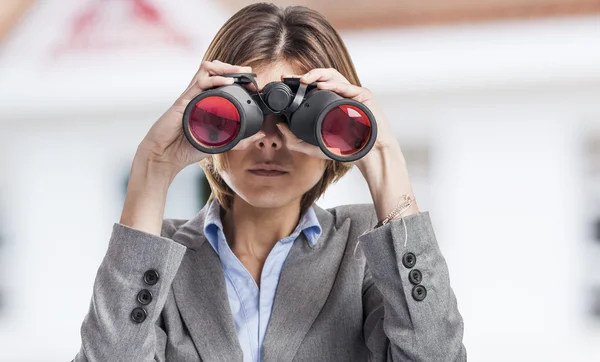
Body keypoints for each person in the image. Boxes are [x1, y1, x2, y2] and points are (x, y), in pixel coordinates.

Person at [73, 3, 466, 362]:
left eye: (300, 117)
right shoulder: (156, 263)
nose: (269, 139)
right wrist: (153, 166)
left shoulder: (364, 249)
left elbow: (437, 355)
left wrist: (382, 156)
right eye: (247, 111)